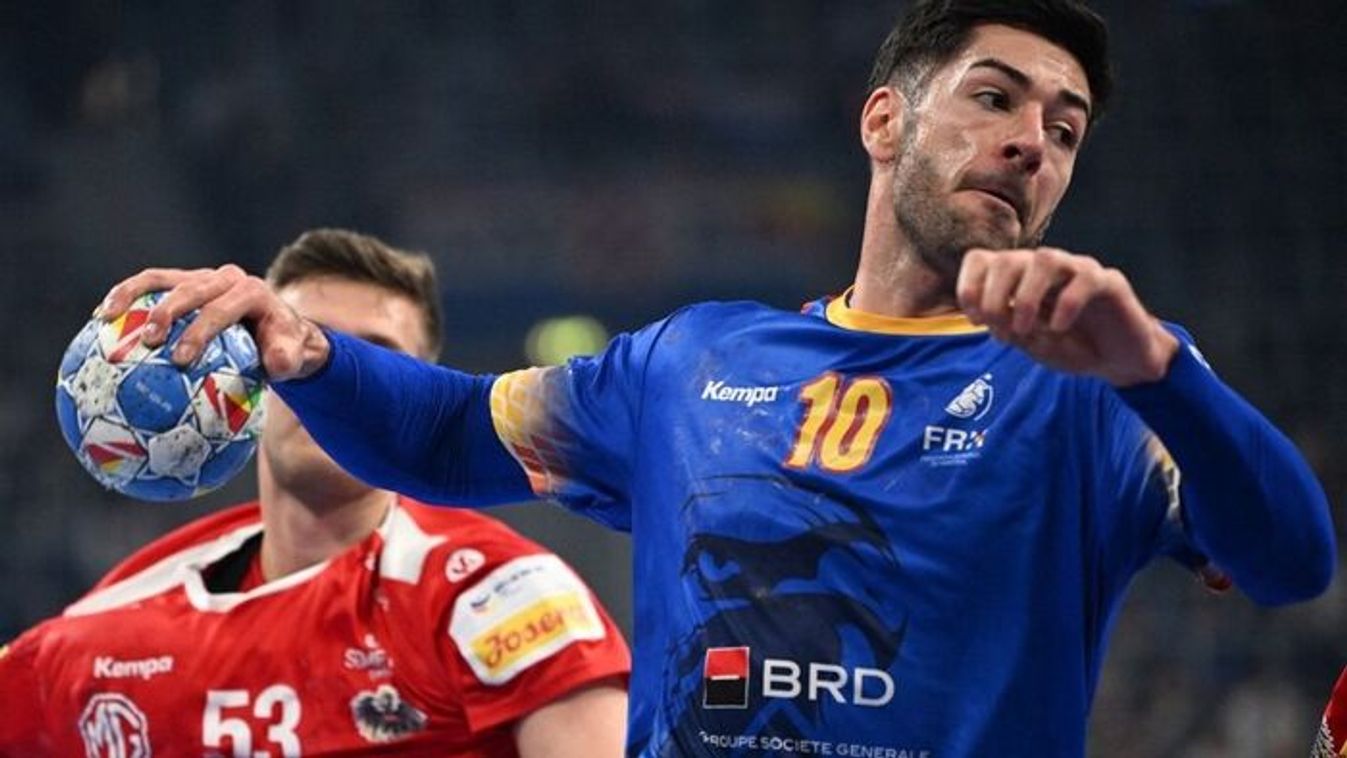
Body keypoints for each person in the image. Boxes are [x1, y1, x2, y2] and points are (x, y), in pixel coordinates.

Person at [93, 1, 1335, 755]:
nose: (1029, 142)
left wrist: (1161, 371)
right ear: (884, 121)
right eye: (995, 98)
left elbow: (1290, 562)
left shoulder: (1099, 386)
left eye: (1064, 130)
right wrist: (310, 353)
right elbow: (449, 433)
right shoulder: (693, 360)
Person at [0, 229, 631, 757]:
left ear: (408, 394)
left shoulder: (499, 600)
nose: (322, 383)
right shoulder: (117, 625)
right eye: (301, 349)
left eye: (371, 360)